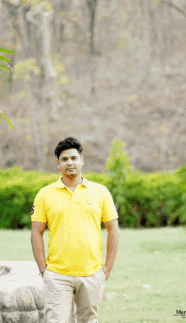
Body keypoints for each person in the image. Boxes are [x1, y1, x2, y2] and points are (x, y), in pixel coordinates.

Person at [30, 137, 120, 323]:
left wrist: (106, 270)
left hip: (92, 274)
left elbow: (113, 230)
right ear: (58, 164)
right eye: (64, 159)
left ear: (82, 160)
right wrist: (43, 271)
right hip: (57, 276)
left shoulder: (100, 192)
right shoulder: (44, 194)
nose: (69, 163)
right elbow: (36, 232)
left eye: (73, 158)